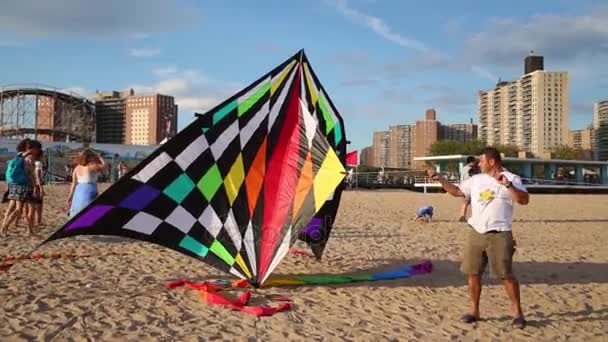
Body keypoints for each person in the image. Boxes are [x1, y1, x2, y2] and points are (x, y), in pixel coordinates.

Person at [426, 147, 529, 329]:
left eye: (481, 161)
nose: (478, 164)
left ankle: (518, 313)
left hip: (500, 233)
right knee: (473, 274)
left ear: (491, 161)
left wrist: (508, 185)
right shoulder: (475, 180)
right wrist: (441, 179)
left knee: (506, 275)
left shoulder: (511, 178)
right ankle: (474, 311)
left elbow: (524, 200)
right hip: (476, 232)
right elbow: (457, 191)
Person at [1, 139, 42, 236]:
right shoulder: (30, 158)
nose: (38, 151)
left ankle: (29, 230)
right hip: (24, 186)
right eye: (38, 148)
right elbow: (31, 173)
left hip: (16, 184)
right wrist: (36, 186)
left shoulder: (20, 156)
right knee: (21, 209)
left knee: (20, 209)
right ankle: (4, 227)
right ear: (34, 148)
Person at [67, 150, 107, 218]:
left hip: (78, 191)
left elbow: (73, 184)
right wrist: (100, 157)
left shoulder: (77, 168)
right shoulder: (91, 166)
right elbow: (105, 166)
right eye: (92, 156)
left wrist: (70, 197)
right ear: (88, 158)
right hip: (88, 190)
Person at [459, 156, 480, 222]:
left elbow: (461, 179)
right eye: (474, 161)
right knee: (468, 202)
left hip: (465, 187)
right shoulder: (471, 169)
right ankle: (463, 216)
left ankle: (463, 216)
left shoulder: (463, 169)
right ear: (471, 162)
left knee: (466, 203)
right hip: (469, 188)